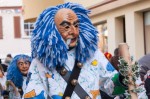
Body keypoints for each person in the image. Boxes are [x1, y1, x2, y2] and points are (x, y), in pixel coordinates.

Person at [24, 2, 147, 99]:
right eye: (66, 27)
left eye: (76, 25)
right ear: (51, 31)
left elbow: (110, 88)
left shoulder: (93, 54)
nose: (74, 31)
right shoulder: (40, 63)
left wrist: (122, 78)